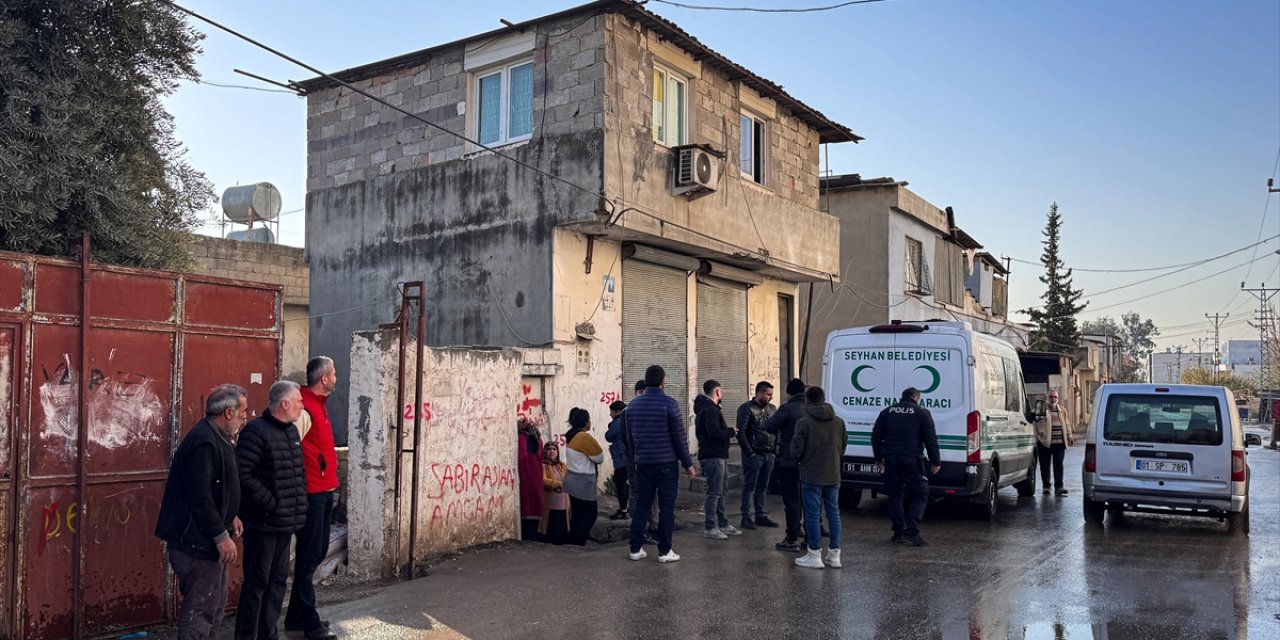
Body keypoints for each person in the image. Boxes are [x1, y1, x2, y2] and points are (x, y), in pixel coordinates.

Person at [155, 384, 248, 640]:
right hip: (196, 543)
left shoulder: (219, 437)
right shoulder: (204, 442)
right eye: (243, 411)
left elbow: (219, 487)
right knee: (200, 611)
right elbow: (200, 496)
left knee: (214, 609)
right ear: (228, 413)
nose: (245, 417)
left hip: (207, 540)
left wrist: (231, 515)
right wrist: (221, 535)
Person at [236, 381, 309, 640]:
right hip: (263, 524)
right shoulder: (255, 432)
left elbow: (296, 474)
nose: (302, 405)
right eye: (298, 400)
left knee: (278, 584)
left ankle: (269, 635)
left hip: (285, 523)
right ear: (284, 404)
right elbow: (243, 474)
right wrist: (272, 503)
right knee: (256, 584)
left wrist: (297, 506)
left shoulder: (291, 432)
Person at [284, 358, 340, 640]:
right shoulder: (304, 408)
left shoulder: (319, 405)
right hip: (312, 492)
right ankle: (310, 623)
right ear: (324, 378)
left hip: (324, 488)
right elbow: (286, 446)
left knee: (315, 554)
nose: (336, 377)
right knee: (308, 559)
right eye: (333, 373)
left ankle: (296, 618)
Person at [625, 365, 697, 562]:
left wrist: (636, 457)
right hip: (666, 463)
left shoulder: (632, 406)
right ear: (663, 382)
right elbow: (679, 437)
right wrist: (687, 463)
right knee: (666, 507)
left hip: (643, 463)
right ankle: (665, 551)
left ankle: (635, 548)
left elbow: (629, 437)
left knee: (642, 504)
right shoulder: (669, 404)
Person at [872, 387, 941, 547]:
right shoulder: (922, 413)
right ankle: (911, 531)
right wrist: (936, 461)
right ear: (916, 398)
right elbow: (930, 439)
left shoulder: (887, 412)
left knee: (895, 494)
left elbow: (876, 435)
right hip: (912, 460)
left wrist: (878, 457)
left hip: (890, 459)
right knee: (921, 493)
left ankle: (898, 532)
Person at [791, 386, 844, 569]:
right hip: (833, 473)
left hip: (811, 474)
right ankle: (834, 554)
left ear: (808, 400)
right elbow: (843, 445)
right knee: (834, 513)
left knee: (813, 515)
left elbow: (796, 449)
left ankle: (814, 553)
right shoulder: (838, 422)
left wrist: (800, 460)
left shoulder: (803, 423)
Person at [694, 380, 742, 540]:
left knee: (721, 491)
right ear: (717, 392)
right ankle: (710, 527)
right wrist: (730, 432)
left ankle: (723, 523)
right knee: (714, 492)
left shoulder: (709, 409)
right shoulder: (710, 410)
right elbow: (713, 432)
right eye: (721, 391)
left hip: (719, 455)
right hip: (713, 456)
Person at [766, 378, 807, 551]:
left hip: (789, 461)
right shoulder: (812, 408)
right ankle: (810, 538)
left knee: (791, 500)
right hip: (809, 463)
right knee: (808, 501)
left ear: (789, 393)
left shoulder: (787, 408)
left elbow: (769, 426)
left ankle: (791, 538)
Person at [736, 381, 778, 530]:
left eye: (771, 394)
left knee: (763, 486)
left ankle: (760, 514)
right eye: (768, 394)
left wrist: (774, 451)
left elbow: (777, 430)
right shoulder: (747, 409)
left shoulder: (772, 409)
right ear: (759, 393)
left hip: (768, 454)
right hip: (755, 454)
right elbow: (740, 433)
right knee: (750, 486)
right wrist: (750, 453)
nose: (771, 397)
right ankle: (746, 516)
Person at [563, 408, 605, 545]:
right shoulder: (583, 437)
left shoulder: (571, 435)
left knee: (577, 515)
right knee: (589, 515)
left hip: (572, 480)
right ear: (586, 422)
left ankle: (573, 542)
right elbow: (599, 458)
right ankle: (579, 543)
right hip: (583, 482)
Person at [1036, 391, 1074, 496]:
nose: (1053, 399)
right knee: (1045, 466)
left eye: (1055, 397)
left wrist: (1069, 435)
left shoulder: (1062, 410)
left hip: (1059, 443)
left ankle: (1059, 487)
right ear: (1046, 397)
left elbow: (1067, 424)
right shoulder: (1041, 410)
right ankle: (1046, 486)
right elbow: (1035, 423)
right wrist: (1038, 437)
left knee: (1058, 465)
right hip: (1044, 443)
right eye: (1051, 397)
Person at [517, 418, 546, 539]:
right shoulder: (538, 440)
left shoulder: (520, 439)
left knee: (526, 506)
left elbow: (521, 457)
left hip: (525, 478)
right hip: (537, 478)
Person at [538, 443, 571, 545]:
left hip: (563, 503)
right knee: (550, 527)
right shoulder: (543, 465)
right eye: (549, 449)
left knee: (562, 525)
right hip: (550, 504)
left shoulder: (561, 466)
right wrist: (558, 484)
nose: (551, 451)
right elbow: (543, 481)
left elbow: (569, 479)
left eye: (554, 449)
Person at [603, 400, 630, 520]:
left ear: (618, 411)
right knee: (622, 483)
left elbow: (608, 436)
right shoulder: (625, 420)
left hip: (621, 458)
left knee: (620, 484)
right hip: (624, 457)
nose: (610, 414)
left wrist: (611, 425)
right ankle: (624, 508)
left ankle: (623, 510)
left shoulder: (619, 422)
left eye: (612, 412)